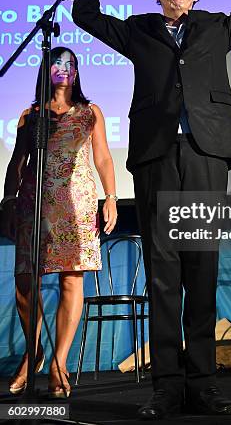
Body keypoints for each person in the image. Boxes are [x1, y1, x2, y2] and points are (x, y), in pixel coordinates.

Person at [72, 0, 231, 419]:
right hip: (158, 154)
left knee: (201, 267)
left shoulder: (217, 26)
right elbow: (86, 15)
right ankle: (167, 388)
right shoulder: (141, 30)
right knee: (163, 272)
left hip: (206, 153)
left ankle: (203, 385)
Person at [1, 46, 118, 398]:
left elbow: (103, 159)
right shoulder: (31, 115)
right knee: (25, 281)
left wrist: (110, 198)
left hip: (76, 203)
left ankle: (58, 363)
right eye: (57, 63)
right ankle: (33, 350)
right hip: (33, 205)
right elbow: (17, 163)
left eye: (70, 64)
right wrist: (8, 200)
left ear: (78, 73)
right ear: (47, 70)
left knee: (71, 280)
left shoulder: (89, 112)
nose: (64, 69)